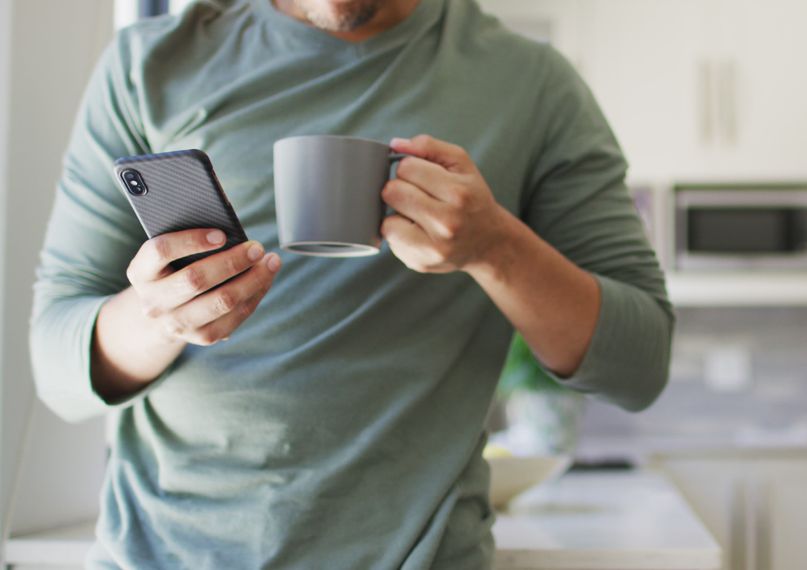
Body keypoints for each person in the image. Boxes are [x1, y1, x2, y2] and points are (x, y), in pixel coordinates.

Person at [29, 0, 673, 567]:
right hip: (159, 556)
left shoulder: (533, 85)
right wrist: (162, 317)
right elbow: (56, 367)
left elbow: (639, 366)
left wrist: (495, 247)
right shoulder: (147, 66)